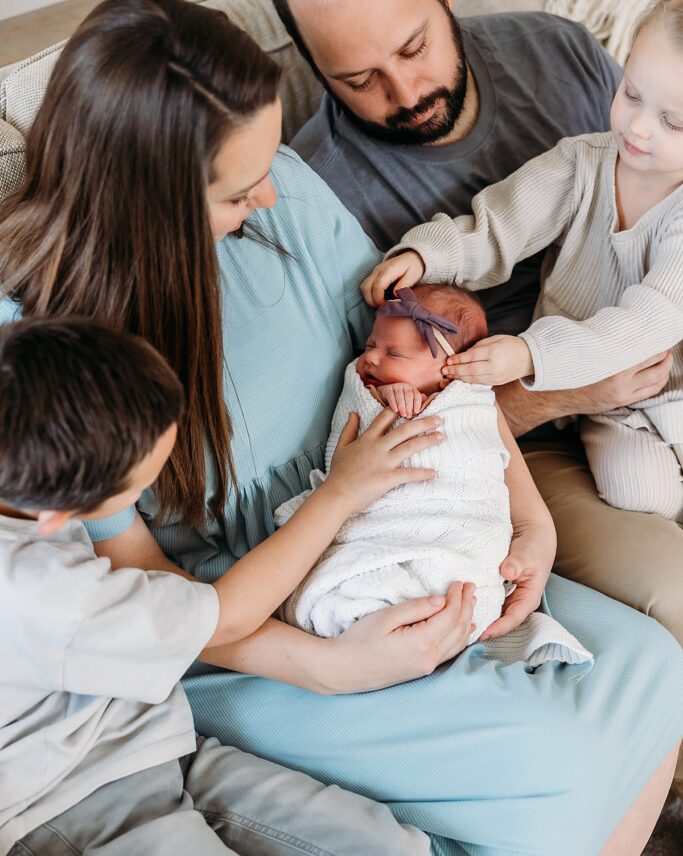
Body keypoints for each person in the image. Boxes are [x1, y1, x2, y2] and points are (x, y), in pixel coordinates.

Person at [0, 3, 680, 856]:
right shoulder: (51, 339)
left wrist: (526, 515)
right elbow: (138, 590)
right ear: (149, 190)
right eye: (237, 189)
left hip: (403, 514)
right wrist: (329, 666)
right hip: (246, 624)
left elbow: (418, 362)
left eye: (267, 165)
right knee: (539, 761)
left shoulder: (282, 194)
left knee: (651, 668)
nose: (270, 194)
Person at [0, 315, 503, 856]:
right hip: (67, 816)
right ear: (60, 516)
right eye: (136, 488)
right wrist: (340, 493)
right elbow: (227, 616)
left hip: (160, 745)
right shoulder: (38, 594)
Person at [275, 0, 683, 644]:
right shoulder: (307, 197)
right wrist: (426, 255)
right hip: (520, 432)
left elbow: (653, 316)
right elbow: (496, 226)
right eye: (360, 79)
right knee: (651, 513)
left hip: (646, 372)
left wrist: (542, 356)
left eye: (413, 47)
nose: (405, 92)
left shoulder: (557, 49)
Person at [363, 0, 683, 524]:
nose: (639, 128)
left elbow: (644, 324)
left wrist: (531, 353)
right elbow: (499, 225)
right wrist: (427, 254)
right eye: (631, 94)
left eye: (672, 122)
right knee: (643, 495)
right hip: (604, 399)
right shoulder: (580, 164)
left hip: (667, 381)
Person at [276, 282, 592, 671]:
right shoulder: (370, 387)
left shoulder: (471, 402)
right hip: (381, 525)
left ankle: (433, 616)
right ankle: (392, 619)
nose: (370, 358)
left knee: (466, 586)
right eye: (370, 344)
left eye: (393, 353)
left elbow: (482, 458)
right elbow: (353, 424)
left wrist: (535, 528)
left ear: (449, 372)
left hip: (455, 525)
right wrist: (385, 400)